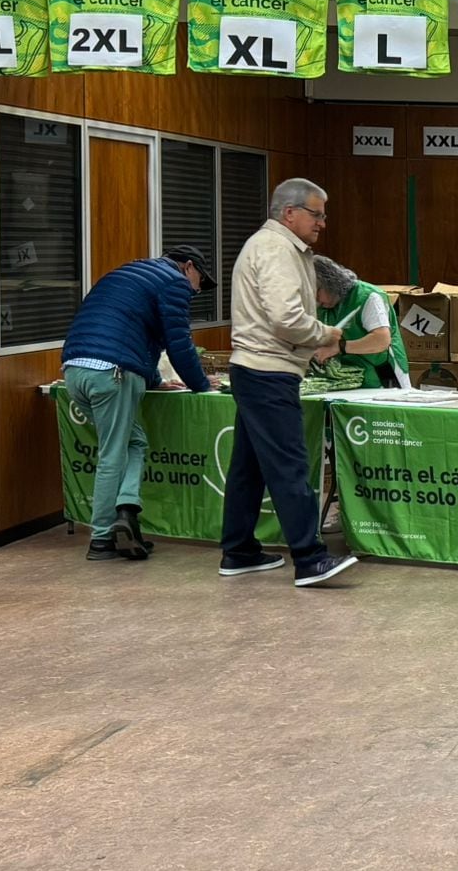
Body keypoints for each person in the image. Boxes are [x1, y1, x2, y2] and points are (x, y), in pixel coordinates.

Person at [219, 177, 356, 589]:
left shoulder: (278, 247)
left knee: (250, 468)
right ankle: (309, 559)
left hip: (257, 368)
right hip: (267, 371)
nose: (323, 223)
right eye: (317, 214)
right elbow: (286, 319)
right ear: (289, 212)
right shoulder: (277, 249)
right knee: (290, 466)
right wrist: (326, 335)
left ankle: (239, 551)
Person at [61, 244, 216, 561]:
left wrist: (157, 381)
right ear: (187, 267)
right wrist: (201, 385)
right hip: (112, 373)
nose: (197, 290)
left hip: (75, 370)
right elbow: (178, 342)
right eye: (200, 281)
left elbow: (132, 330)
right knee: (112, 453)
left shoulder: (128, 271)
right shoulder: (174, 282)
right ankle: (102, 539)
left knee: (134, 441)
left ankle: (127, 511)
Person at [313, 256, 410, 390]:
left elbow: (381, 340)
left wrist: (338, 347)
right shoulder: (323, 305)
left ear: (330, 283)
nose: (316, 301)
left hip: (382, 373)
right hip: (350, 376)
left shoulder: (368, 297)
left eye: (317, 293)